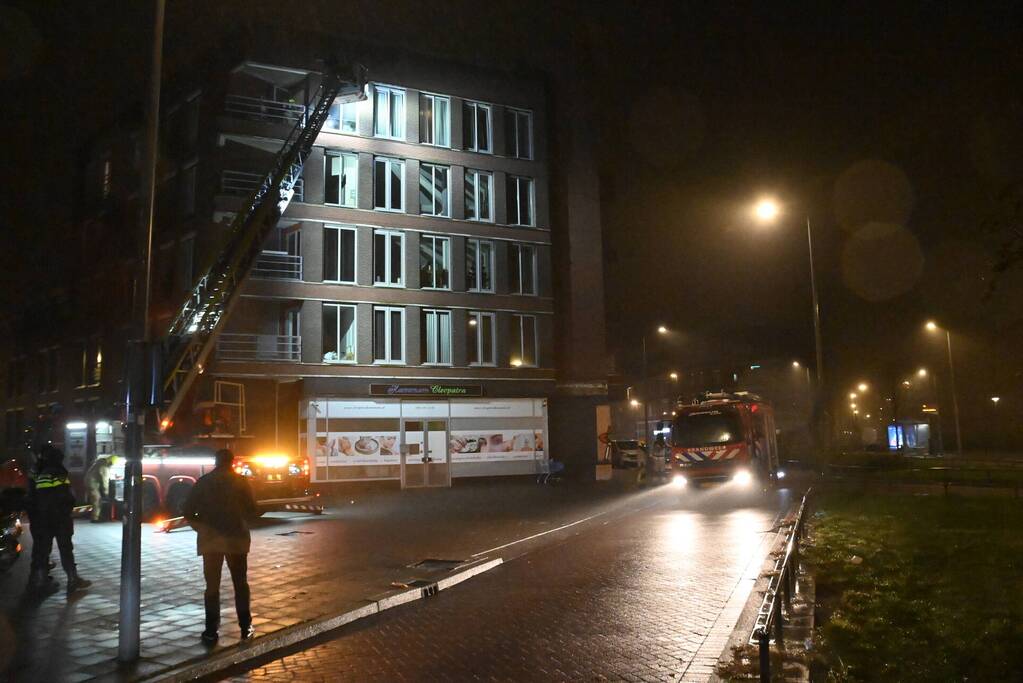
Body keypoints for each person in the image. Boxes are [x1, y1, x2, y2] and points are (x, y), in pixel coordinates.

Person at [182, 448, 258, 644]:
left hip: (211, 541)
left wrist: (202, 528)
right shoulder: (241, 482)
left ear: (215, 462)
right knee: (240, 584)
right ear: (232, 462)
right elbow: (252, 509)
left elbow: (188, 510)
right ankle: (245, 626)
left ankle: (211, 630)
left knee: (212, 586)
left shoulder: (203, 482)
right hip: (236, 539)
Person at [24, 446, 91, 596]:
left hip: (40, 519)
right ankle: (72, 579)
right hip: (58, 519)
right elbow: (65, 497)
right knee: (65, 549)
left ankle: (39, 580)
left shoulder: (37, 470)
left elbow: (32, 494)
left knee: (41, 550)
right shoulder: (57, 472)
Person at [84, 454, 119, 522]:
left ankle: (97, 516)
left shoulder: (100, 463)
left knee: (95, 499)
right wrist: (106, 492)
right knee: (97, 500)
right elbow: (104, 480)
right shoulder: (104, 467)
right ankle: (95, 518)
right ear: (110, 462)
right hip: (92, 484)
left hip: (90, 482)